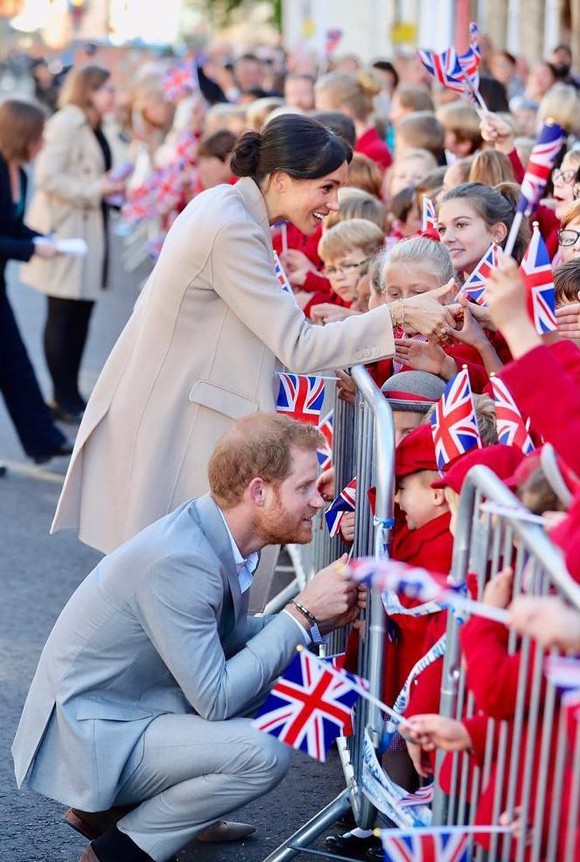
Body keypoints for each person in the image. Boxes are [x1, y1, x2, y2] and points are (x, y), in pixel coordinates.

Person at [51, 114, 455, 555]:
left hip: (181, 414)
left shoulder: (230, 209)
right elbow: (298, 345)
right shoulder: (234, 228)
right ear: (281, 180)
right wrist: (397, 313)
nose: (335, 203)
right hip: (180, 425)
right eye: (326, 187)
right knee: (172, 592)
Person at [12, 413, 365, 862]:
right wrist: (301, 613)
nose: (320, 500)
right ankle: (121, 849)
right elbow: (216, 699)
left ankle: (136, 811)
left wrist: (316, 622)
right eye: (305, 487)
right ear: (259, 491)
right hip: (92, 736)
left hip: (129, 706)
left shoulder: (214, 530)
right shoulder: (183, 561)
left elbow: (231, 639)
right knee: (262, 754)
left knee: (296, 682)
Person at [21, 65, 125, 423]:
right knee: (63, 312)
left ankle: (70, 393)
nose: (113, 95)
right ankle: (60, 395)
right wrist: (95, 189)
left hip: (89, 227)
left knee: (81, 313)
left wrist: (109, 188)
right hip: (65, 229)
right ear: (88, 90)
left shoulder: (100, 126)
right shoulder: (67, 123)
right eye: (106, 88)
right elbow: (48, 176)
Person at [0, 98, 74, 464]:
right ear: (21, 135)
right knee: (12, 361)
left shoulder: (20, 173)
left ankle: (43, 440)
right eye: (38, 135)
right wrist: (32, 247)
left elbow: (10, 226)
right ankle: (43, 438)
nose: (43, 142)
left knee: (15, 363)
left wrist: (40, 239)